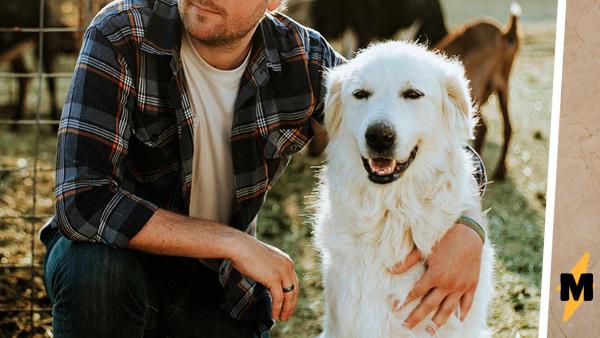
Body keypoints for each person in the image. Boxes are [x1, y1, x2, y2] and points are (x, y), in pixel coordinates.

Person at [40, 0, 488, 337]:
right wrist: (232, 243)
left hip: (221, 291)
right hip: (121, 270)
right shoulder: (122, 33)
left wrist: (468, 227)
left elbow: (418, 130)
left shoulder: (302, 58)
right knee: (94, 270)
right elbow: (82, 201)